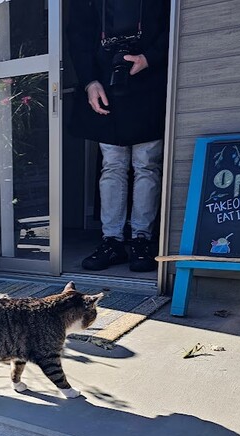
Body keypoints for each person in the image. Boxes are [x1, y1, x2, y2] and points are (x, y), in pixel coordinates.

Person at [68, 0, 171, 272]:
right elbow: (78, 34)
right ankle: (112, 241)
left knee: (146, 164)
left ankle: (141, 240)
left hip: (150, 82)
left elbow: (172, 23)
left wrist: (150, 57)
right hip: (105, 83)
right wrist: (89, 81)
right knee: (112, 166)